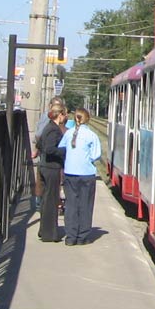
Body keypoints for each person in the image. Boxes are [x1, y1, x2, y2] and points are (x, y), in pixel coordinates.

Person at [58, 107, 106, 246]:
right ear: (87, 119)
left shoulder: (68, 134)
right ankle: (83, 236)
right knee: (85, 205)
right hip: (86, 174)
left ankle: (71, 237)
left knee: (71, 205)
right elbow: (95, 155)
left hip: (70, 173)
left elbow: (62, 148)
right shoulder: (91, 135)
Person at [37, 103, 68, 242]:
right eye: (64, 114)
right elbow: (50, 149)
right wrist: (63, 151)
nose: (65, 117)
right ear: (59, 114)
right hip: (51, 168)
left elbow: (39, 145)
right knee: (51, 201)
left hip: (44, 166)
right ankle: (50, 234)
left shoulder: (47, 127)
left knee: (45, 200)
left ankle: (43, 230)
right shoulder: (54, 130)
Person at [32, 96, 65, 210]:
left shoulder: (48, 118)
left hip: (49, 156)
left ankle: (41, 202)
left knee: (44, 181)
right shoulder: (50, 120)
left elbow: (38, 135)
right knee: (48, 182)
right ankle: (42, 202)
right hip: (51, 158)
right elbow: (40, 135)